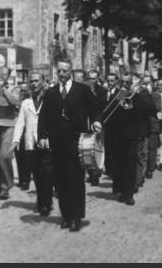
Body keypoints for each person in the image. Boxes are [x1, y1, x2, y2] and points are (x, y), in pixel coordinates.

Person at [37, 58, 102, 232]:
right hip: (57, 142)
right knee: (60, 180)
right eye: (59, 71)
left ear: (70, 72)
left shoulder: (82, 90)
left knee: (75, 179)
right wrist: (42, 136)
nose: (61, 74)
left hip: (76, 140)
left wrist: (96, 121)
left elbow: (95, 108)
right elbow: (43, 116)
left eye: (65, 71)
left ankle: (76, 216)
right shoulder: (51, 93)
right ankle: (66, 215)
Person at [107, 73, 157, 205]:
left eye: (127, 82)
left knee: (130, 164)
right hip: (117, 136)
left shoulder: (138, 97)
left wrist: (143, 94)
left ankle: (129, 193)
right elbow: (109, 114)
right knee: (119, 164)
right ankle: (121, 191)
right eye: (122, 82)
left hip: (131, 135)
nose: (125, 84)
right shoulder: (115, 96)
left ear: (131, 83)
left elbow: (150, 110)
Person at [12, 72, 55, 216]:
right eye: (32, 81)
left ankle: (47, 202)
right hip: (31, 142)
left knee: (47, 173)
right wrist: (16, 140)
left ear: (43, 82)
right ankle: (40, 202)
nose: (34, 83)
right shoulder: (26, 103)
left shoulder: (49, 100)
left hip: (46, 141)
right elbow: (20, 123)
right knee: (36, 173)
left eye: (37, 81)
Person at [86, 69, 107, 186]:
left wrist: (93, 94)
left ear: (98, 79)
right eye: (90, 78)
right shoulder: (83, 89)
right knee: (87, 148)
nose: (92, 81)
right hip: (86, 122)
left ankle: (96, 174)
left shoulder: (102, 91)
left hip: (98, 122)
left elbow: (103, 105)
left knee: (97, 148)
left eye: (94, 78)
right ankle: (91, 173)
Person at [102, 73, 121, 178]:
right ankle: (108, 169)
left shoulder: (120, 94)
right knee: (106, 149)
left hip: (116, 127)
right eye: (108, 81)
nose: (110, 83)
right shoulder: (103, 93)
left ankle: (114, 171)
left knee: (115, 150)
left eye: (112, 81)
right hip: (105, 126)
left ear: (116, 81)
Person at [15, 81, 32, 190]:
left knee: (27, 156)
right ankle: (21, 179)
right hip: (18, 130)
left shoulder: (31, 101)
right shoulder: (16, 101)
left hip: (28, 130)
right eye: (21, 90)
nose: (23, 92)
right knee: (18, 155)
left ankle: (26, 180)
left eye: (25, 90)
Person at [145, 76, 162, 180]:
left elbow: (157, 108)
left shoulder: (156, 95)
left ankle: (150, 169)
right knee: (144, 148)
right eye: (145, 83)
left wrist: (148, 96)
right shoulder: (141, 95)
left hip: (152, 125)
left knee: (152, 147)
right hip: (143, 125)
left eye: (148, 83)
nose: (146, 85)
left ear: (152, 84)